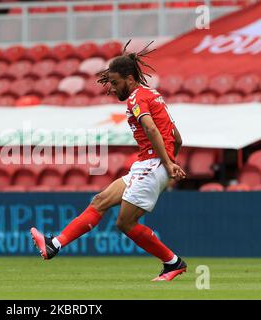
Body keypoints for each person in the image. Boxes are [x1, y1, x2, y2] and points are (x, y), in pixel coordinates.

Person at [30, 41, 187, 281]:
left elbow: (152, 130)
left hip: (153, 164)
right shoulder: (154, 96)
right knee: (100, 200)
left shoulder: (136, 99)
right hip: (149, 164)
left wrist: (166, 165)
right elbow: (177, 138)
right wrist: (171, 163)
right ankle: (55, 245)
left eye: (115, 83)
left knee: (125, 223)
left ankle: (172, 263)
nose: (112, 88)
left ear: (130, 78)